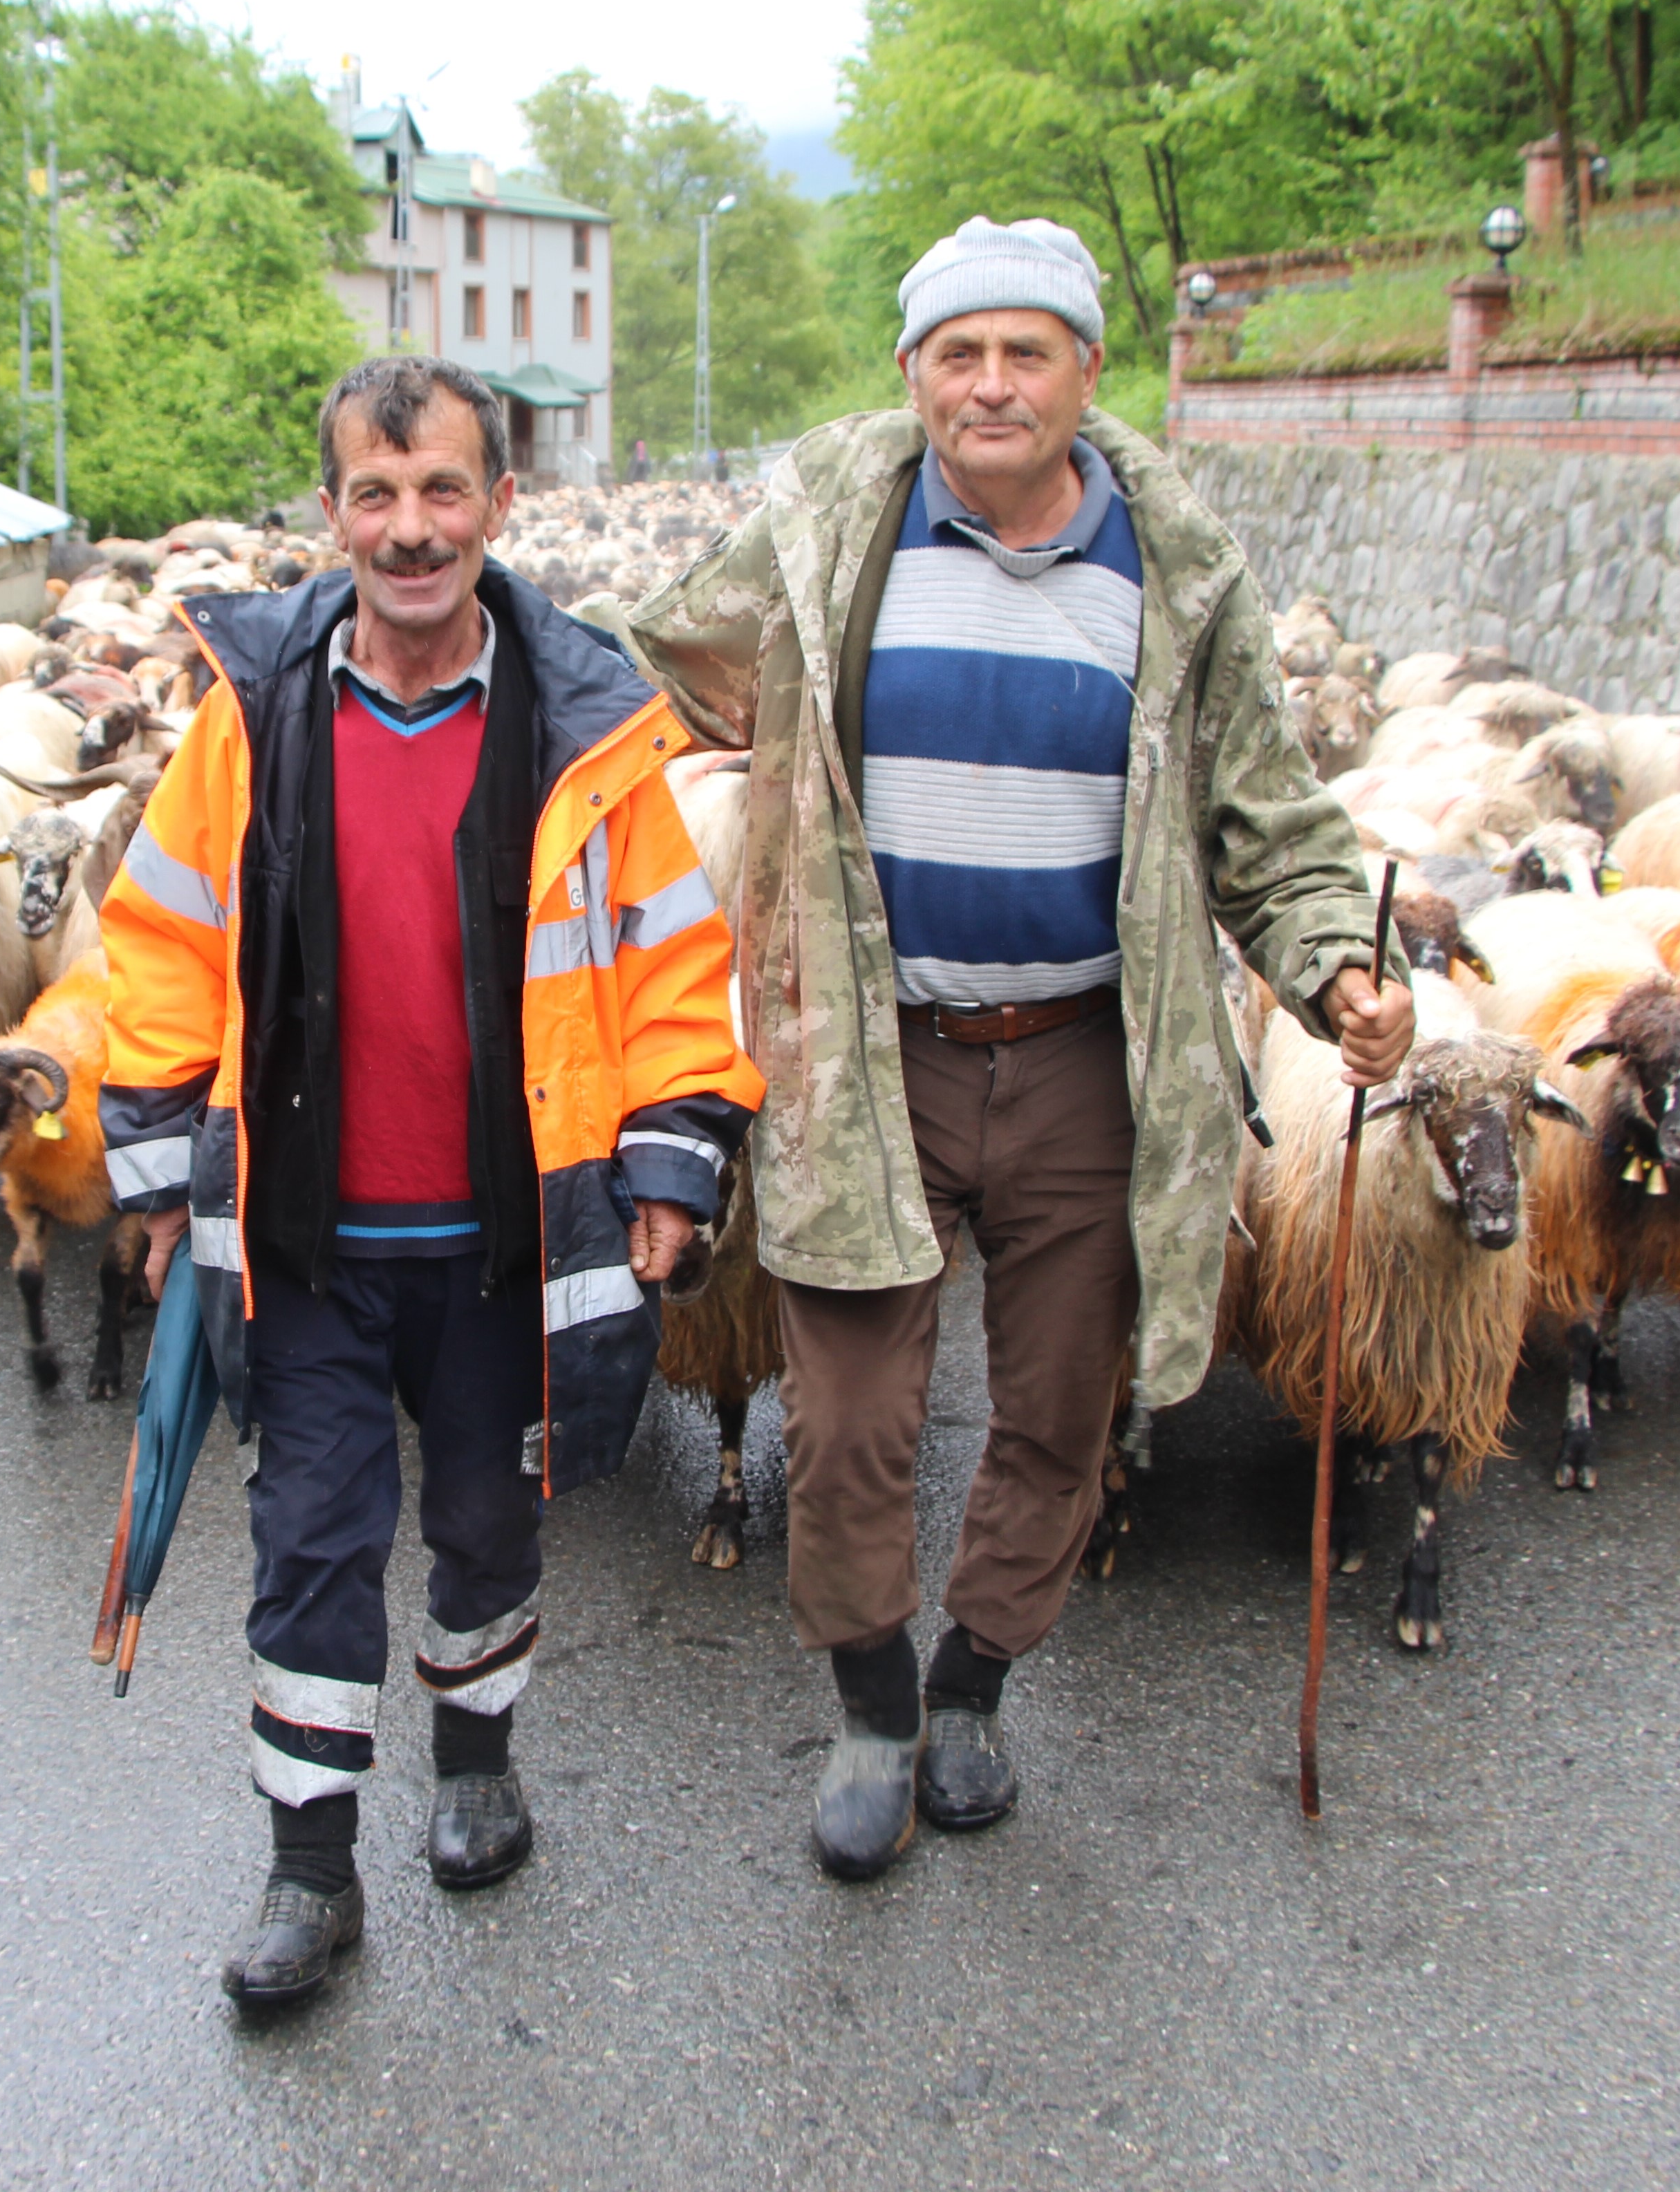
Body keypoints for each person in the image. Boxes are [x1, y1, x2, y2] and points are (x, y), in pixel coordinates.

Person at [617, 217, 1413, 1880]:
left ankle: (974, 1681)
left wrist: (1340, 966)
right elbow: (667, 670)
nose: (990, 384)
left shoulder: (1178, 576)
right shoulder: (832, 535)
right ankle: (872, 1707)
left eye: (1025, 351)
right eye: (958, 353)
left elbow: (1269, 819)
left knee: (1060, 1411)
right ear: (912, 373)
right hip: (871, 1051)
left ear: (1087, 372)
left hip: (1085, 1062)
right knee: (847, 1421)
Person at [100, 355, 762, 2008]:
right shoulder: (253, 720)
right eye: (377, 496)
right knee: (311, 1541)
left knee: (484, 1520)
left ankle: (477, 1766)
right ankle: (309, 1871)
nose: (411, 529)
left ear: (500, 505)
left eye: (444, 491)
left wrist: (671, 1157)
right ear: (333, 512)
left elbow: (672, 967)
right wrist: (161, 1167)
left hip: (503, 1238)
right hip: (309, 1239)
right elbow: (167, 938)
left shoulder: (589, 736)